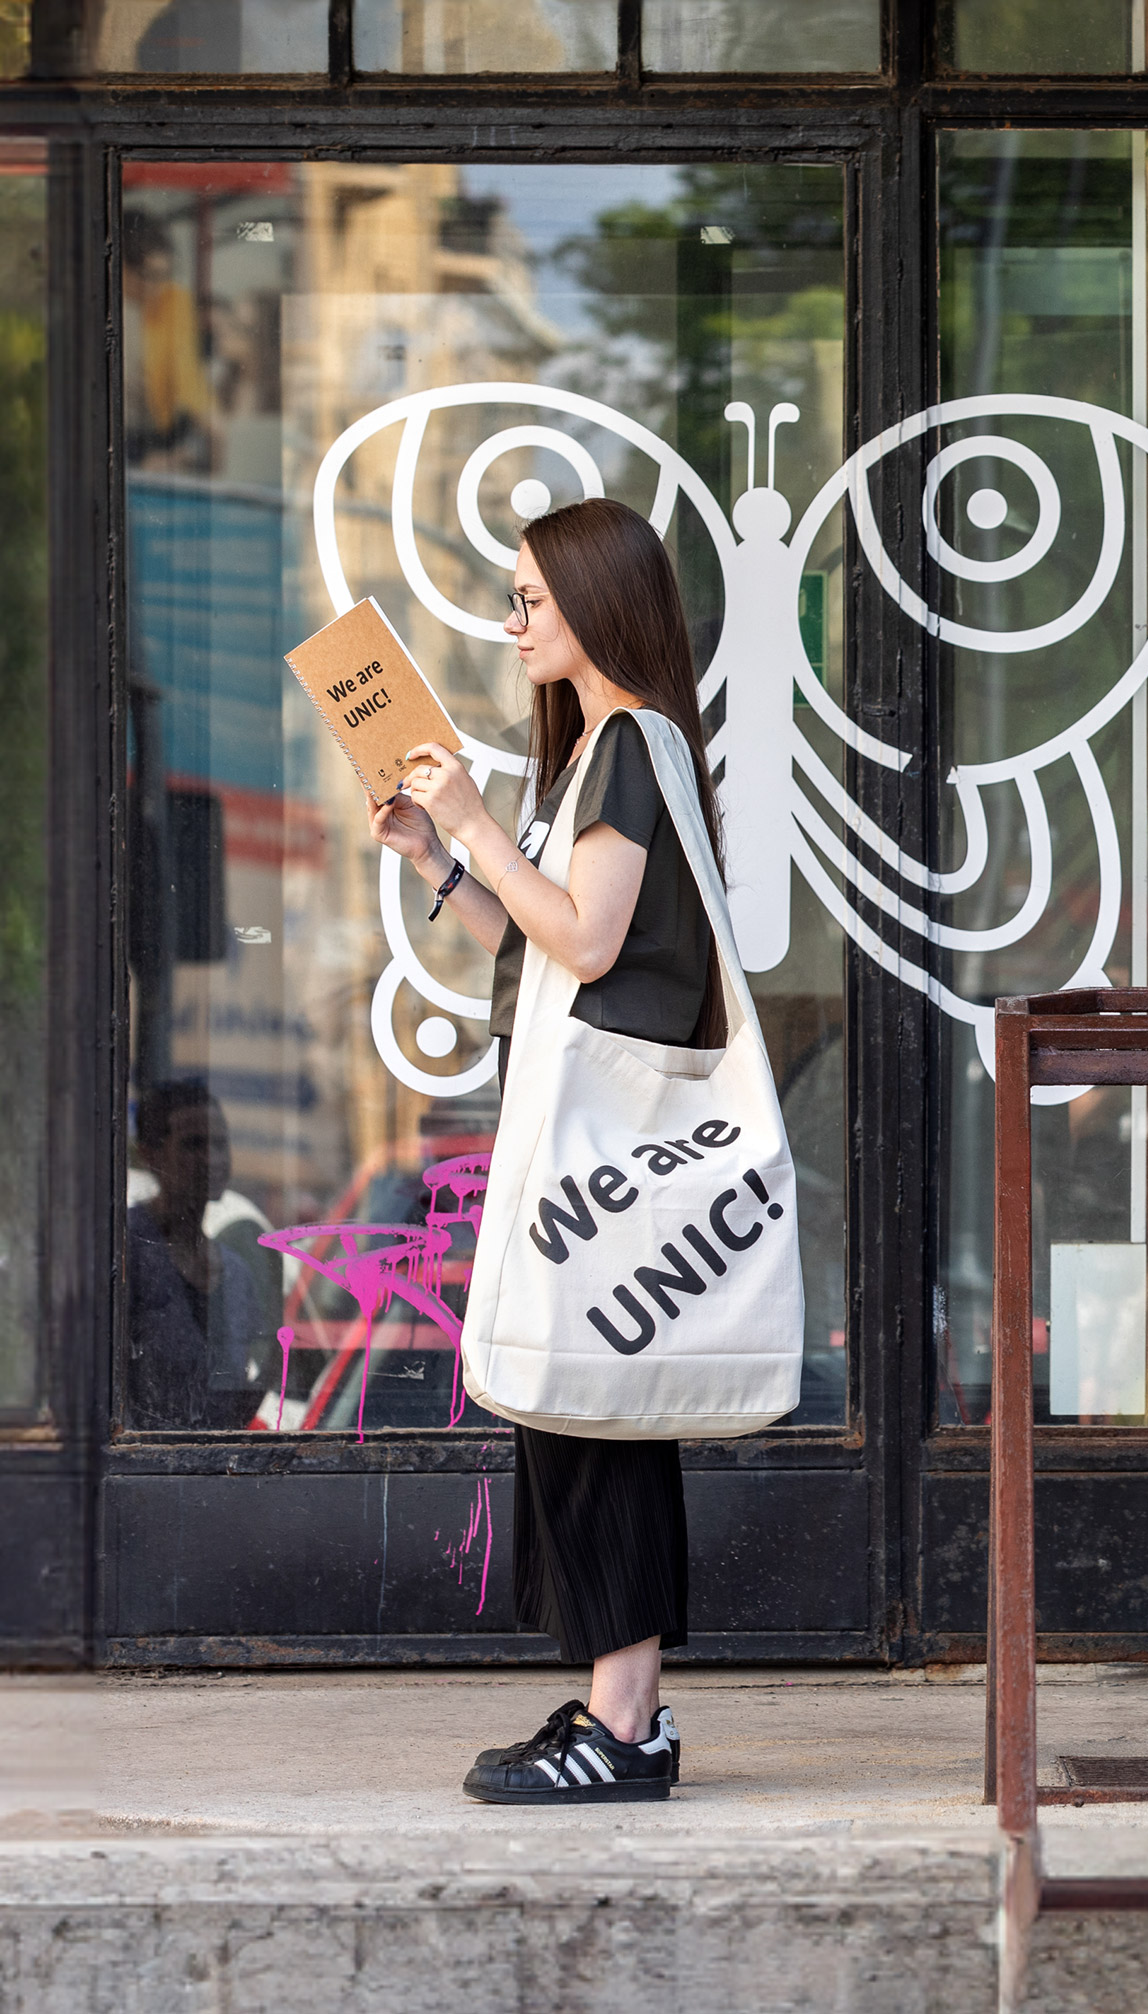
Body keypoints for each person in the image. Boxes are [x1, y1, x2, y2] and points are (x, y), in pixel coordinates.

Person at [373, 496, 720, 1805]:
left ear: (592, 598)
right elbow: (545, 955)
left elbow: (586, 942)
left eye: (529, 598)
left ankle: (627, 1726)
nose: (514, 621)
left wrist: (468, 817)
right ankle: (614, 1701)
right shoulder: (612, 754)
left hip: (615, 1144)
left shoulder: (631, 743)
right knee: (574, 1413)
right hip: (592, 1135)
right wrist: (440, 861)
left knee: (601, 1416)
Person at [127, 1078, 268, 1429]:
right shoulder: (125, 1249)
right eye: (193, 1144)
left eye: (220, 1144)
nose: (212, 1159)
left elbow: (227, 1406)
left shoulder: (235, 1273)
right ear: (151, 1153)